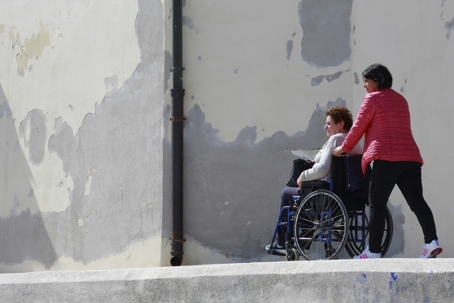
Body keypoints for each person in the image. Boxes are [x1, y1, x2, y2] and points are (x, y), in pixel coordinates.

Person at [333, 63, 442, 259]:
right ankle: (431, 241)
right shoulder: (401, 100)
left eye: (367, 81)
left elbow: (358, 127)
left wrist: (343, 148)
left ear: (378, 80)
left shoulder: (372, 99)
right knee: (417, 201)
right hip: (410, 159)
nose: (364, 85)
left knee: (376, 205)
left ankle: (374, 251)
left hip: (385, 158)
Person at [266, 106, 362, 253]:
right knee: (308, 196)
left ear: (341, 124)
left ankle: (282, 243)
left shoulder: (335, 140)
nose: (325, 127)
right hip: (349, 194)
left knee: (287, 193)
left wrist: (303, 176)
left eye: (329, 123)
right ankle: (303, 244)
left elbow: (323, 169)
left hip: (329, 193)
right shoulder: (354, 142)